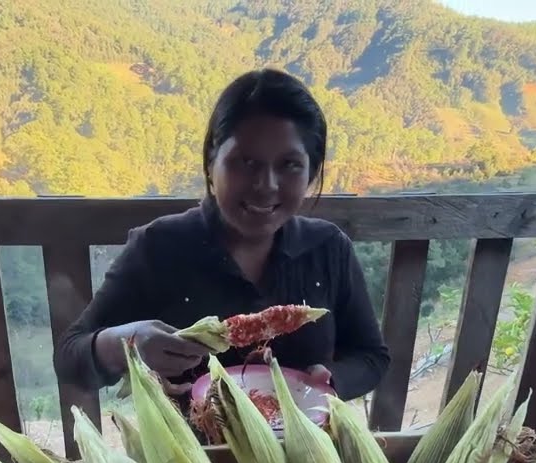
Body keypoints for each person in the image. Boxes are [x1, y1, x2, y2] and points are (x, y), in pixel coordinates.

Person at [55, 68, 389, 400]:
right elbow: (70, 359)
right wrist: (124, 345)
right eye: (245, 162)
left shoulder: (328, 248)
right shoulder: (157, 247)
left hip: (304, 443)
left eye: (289, 165)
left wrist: (329, 382)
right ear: (212, 164)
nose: (266, 185)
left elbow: (370, 355)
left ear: (311, 173)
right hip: (192, 450)